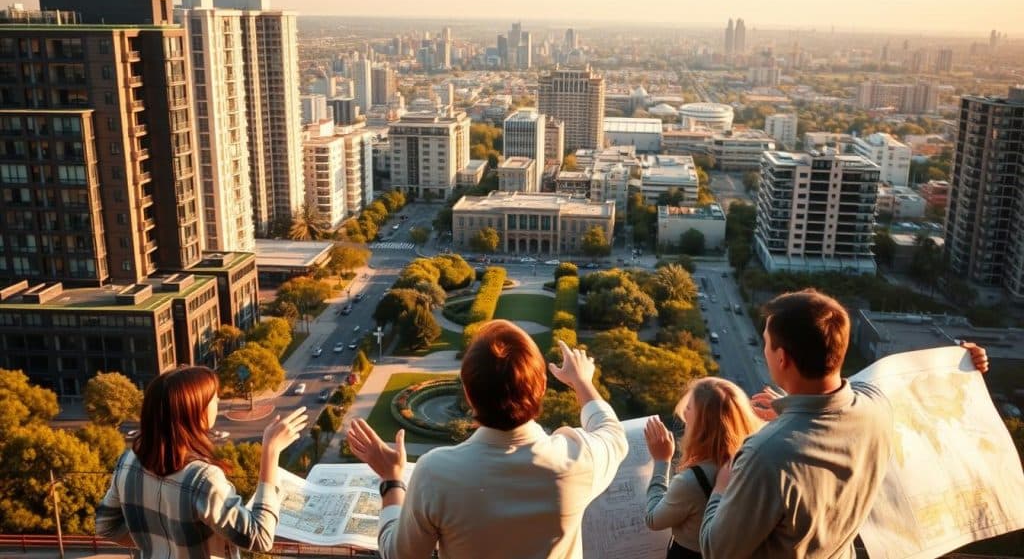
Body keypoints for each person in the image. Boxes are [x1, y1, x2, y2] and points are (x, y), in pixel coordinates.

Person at [699, 289, 989, 559]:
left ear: (782, 358)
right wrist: (963, 363)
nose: (764, 349)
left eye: (765, 343)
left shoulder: (765, 455)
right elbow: (924, 400)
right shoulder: (876, 407)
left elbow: (717, 551)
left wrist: (721, 488)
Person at [346, 319, 628, 559]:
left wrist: (392, 481)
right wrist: (581, 381)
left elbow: (400, 555)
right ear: (542, 387)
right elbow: (613, 432)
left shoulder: (436, 473)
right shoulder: (576, 459)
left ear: (468, 393)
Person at [95, 366, 308, 559]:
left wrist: (162, 544)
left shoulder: (127, 462)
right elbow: (261, 538)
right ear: (196, 412)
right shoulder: (202, 479)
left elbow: (105, 526)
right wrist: (270, 451)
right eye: (213, 399)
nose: (217, 402)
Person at [643, 378, 763, 558]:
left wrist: (661, 461)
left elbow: (653, 519)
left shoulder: (691, 481)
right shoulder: (755, 463)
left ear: (701, 425)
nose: (684, 412)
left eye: (689, 408)